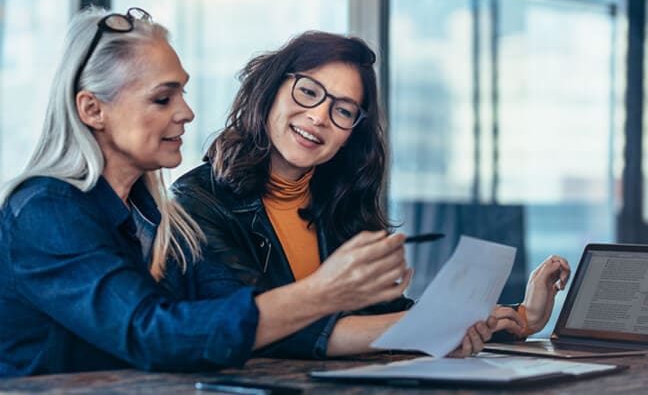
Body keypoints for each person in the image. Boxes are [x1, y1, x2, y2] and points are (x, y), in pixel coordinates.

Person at [0, 8, 414, 377]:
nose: (186, 112)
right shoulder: (44, 210)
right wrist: (323, 291)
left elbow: (225, 318)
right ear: (93, 109)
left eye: (182, 92)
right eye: (163, 98)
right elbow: (156, 334)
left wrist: (434, 324)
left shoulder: (159, 219)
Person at [170, 31, 572, 359]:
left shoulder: (339, 203)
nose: (319, 117)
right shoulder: (197, 201)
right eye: (308, 92)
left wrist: (523, 317)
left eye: (343, 110)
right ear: (271, 90)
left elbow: (383, 316)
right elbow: (260, 326)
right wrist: (432, 329)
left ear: (350, 135)